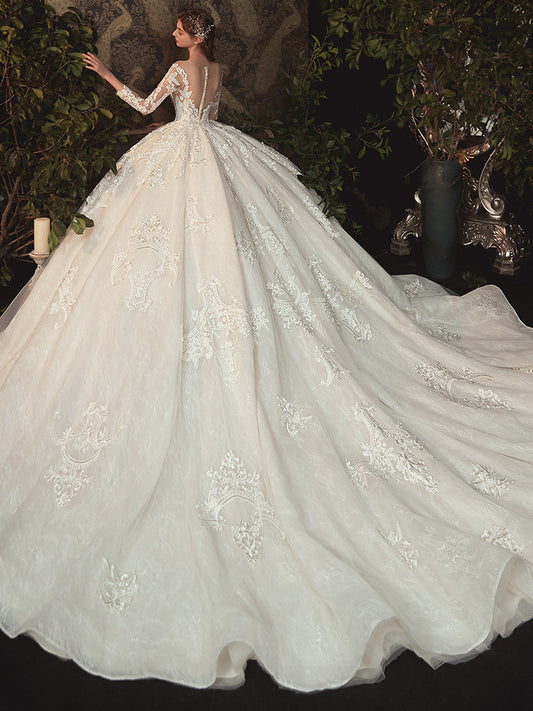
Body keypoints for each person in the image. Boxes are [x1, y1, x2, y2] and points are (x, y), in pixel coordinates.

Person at [0, 6, 532, 693]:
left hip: (179, 162)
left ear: (192, 35)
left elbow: (147, 106)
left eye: (180, 31)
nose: (174, 37)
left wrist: (105, 74)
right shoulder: (217, 71)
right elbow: (208, 118)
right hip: (218, 162)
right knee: (238, 254)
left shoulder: (177, 72)